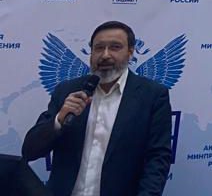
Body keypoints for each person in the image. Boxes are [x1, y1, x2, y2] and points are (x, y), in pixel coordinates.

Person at [22, 21, 172, 196]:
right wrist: (58, 121)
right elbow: (30, 151)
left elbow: (157, 158)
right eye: (99, 48)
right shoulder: (67, 90)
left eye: (115, 47)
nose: (105, 55)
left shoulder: (152, 95)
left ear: (130, 52)